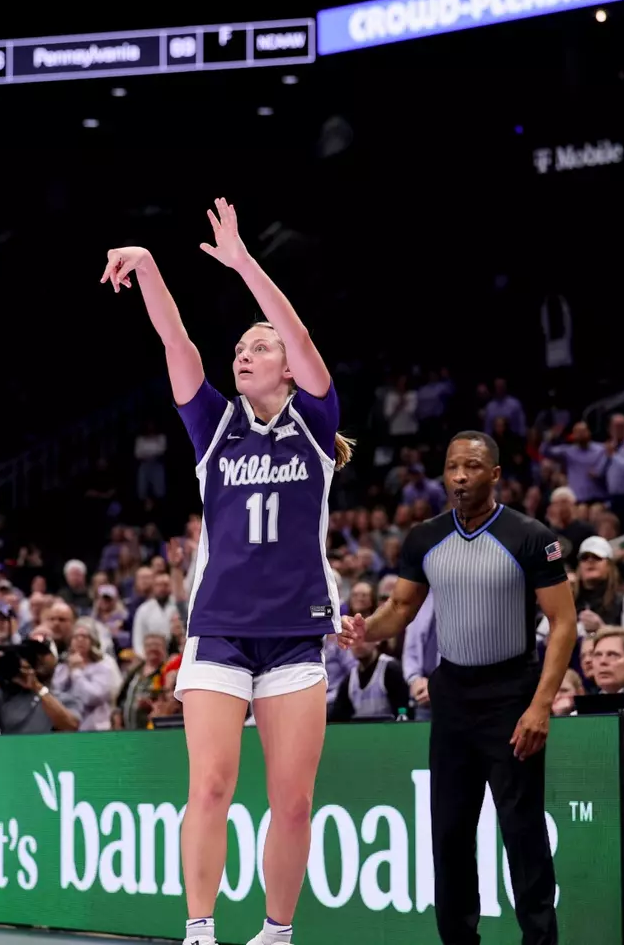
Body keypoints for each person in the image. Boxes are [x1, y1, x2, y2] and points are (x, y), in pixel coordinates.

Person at [101, 197, 355, 945]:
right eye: (241, 346)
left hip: (295, 634)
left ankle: (276, 934)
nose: (245, 353)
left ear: (286, 367)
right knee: (209, 786)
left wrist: (245, 265)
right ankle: (201, 930)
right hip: (219, 633)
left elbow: (302, 334)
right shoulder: (214, 426)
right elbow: (175, 338)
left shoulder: (315, 422)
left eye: (259, 347)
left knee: (293, 801)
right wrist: (148, 266)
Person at [342, 431, 576, 945]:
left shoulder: (530, 536)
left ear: (494, 475)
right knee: (448, 835)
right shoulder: (424, 537)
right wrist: (365, 630)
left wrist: (539, 706)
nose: (460, 476)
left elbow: (563, 623)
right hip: (452, 696)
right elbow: (400, 608)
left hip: (512, 694)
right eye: (451, 467)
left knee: (522, 833)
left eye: (471, 467)